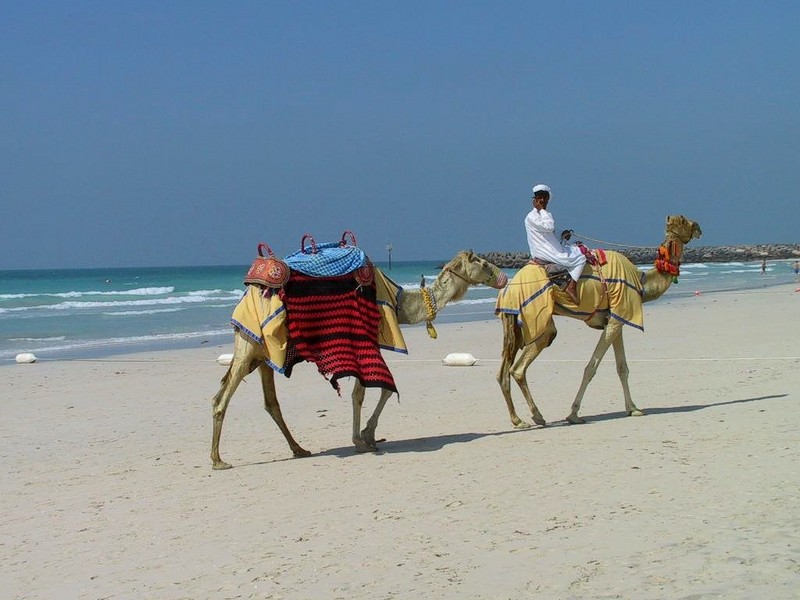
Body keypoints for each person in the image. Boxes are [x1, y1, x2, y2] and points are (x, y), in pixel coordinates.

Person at [525, 183, 586, 303]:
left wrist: (563, 233)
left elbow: (550, 232)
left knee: (575, 248)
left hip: (549, 249)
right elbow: (548, 227)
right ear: (535, 199)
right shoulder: (532, 216)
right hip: (545, 253)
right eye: (539, 198)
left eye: (544, 197)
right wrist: (542, 210)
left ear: (548, 199)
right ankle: (571, 286)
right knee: (581, 258)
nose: (542, 200)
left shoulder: (543, 215)